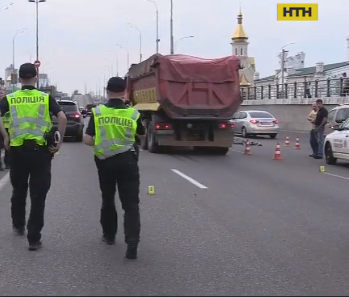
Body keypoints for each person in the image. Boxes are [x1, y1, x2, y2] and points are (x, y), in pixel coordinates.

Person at [0, 63, 67, 251]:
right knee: (38, 195)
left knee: (19, 190)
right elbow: (62, 118)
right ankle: (34, 238)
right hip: (40, 153)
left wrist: (5, 136)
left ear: (20, 79)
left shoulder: (11, 98)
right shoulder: (45, 98)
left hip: (17, 151)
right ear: (36, 78)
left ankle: (19, 225)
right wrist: (59, 141)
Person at [83, 76, 145, 260]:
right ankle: (132, 244)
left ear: (106, 91)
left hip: (105, 162)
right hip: (128, 161)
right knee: (131, 204)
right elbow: (141, 135)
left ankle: (109, 236)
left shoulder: (98, 112)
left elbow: (87, 139)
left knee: (108, 198)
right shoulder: (133, 114)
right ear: (125, 91)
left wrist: (101, 143)